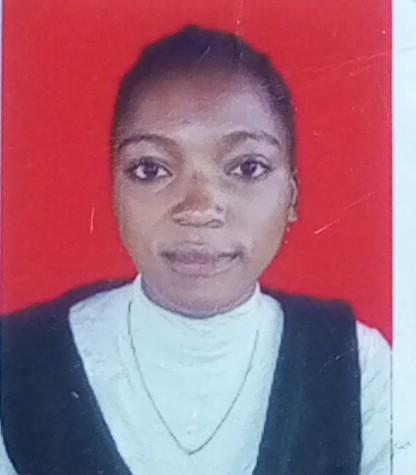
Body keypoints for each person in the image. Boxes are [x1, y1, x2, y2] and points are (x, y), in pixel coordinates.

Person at [0, 25, 390, 475]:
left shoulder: (358, 366)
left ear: (293, 197)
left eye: (247, 167)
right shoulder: (16, 363)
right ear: (114, 191)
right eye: (151, 169)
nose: (200, 209)